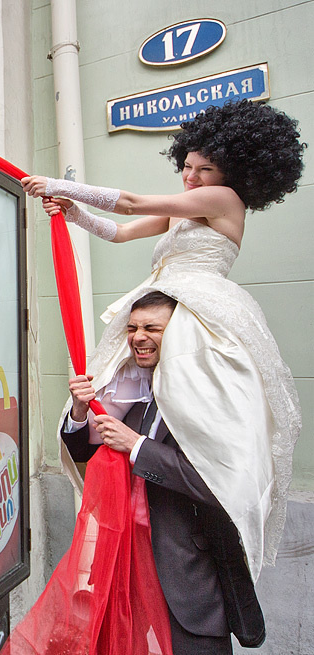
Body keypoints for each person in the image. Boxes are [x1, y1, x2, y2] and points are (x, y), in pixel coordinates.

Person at [22, 99, 304, 585]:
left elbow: (132, 202)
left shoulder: (224, 200)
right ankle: (116, 451)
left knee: (194, 410)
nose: (191, 178)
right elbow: (119, 230)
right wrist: (73, 213)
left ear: (232, 172)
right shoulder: (184, 211)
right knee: (119, 388)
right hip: (163, 300)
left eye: (205, 169)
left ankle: (189, 478)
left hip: (198, 310)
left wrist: (59, 184)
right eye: (187, 166)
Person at [61, 292, 260, 654]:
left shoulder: (211, 398)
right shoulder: (133, 390)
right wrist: (78, 411)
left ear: (181, 335)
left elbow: (217, 485)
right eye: (133, 327)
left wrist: (137, 447)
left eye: (153, 327)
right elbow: (82, 450)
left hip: (187, 580)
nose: (138, 336)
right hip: (128, 572)